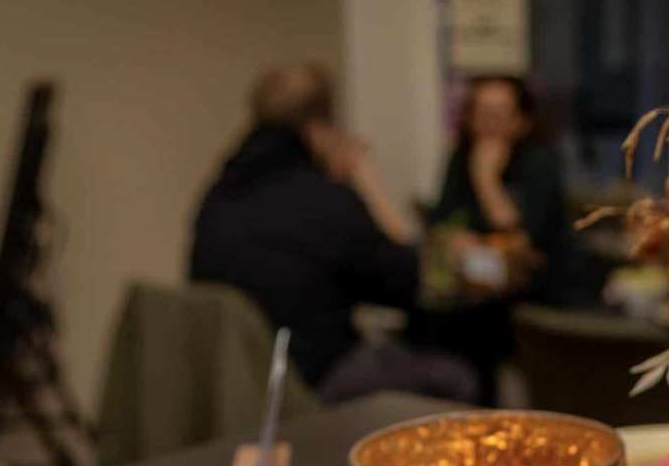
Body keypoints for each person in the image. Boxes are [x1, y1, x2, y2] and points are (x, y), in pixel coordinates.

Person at [189, 63, 475, 404]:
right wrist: (365, 182)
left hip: (239, 386)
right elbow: (408, 282)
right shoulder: (323, 198)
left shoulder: (218, 193)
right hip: (309, 384)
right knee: (455, 377)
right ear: (318, 129)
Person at [429, 75, 569, 300]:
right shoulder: (461, 158)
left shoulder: (539, 162)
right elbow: (440, 221)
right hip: (474, 280)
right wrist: (455, 238)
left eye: (499, 114)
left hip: (539, 285)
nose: (490, 123)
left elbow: (523, 240)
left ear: (521, 121)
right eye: (482, 113)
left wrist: (485, 179)